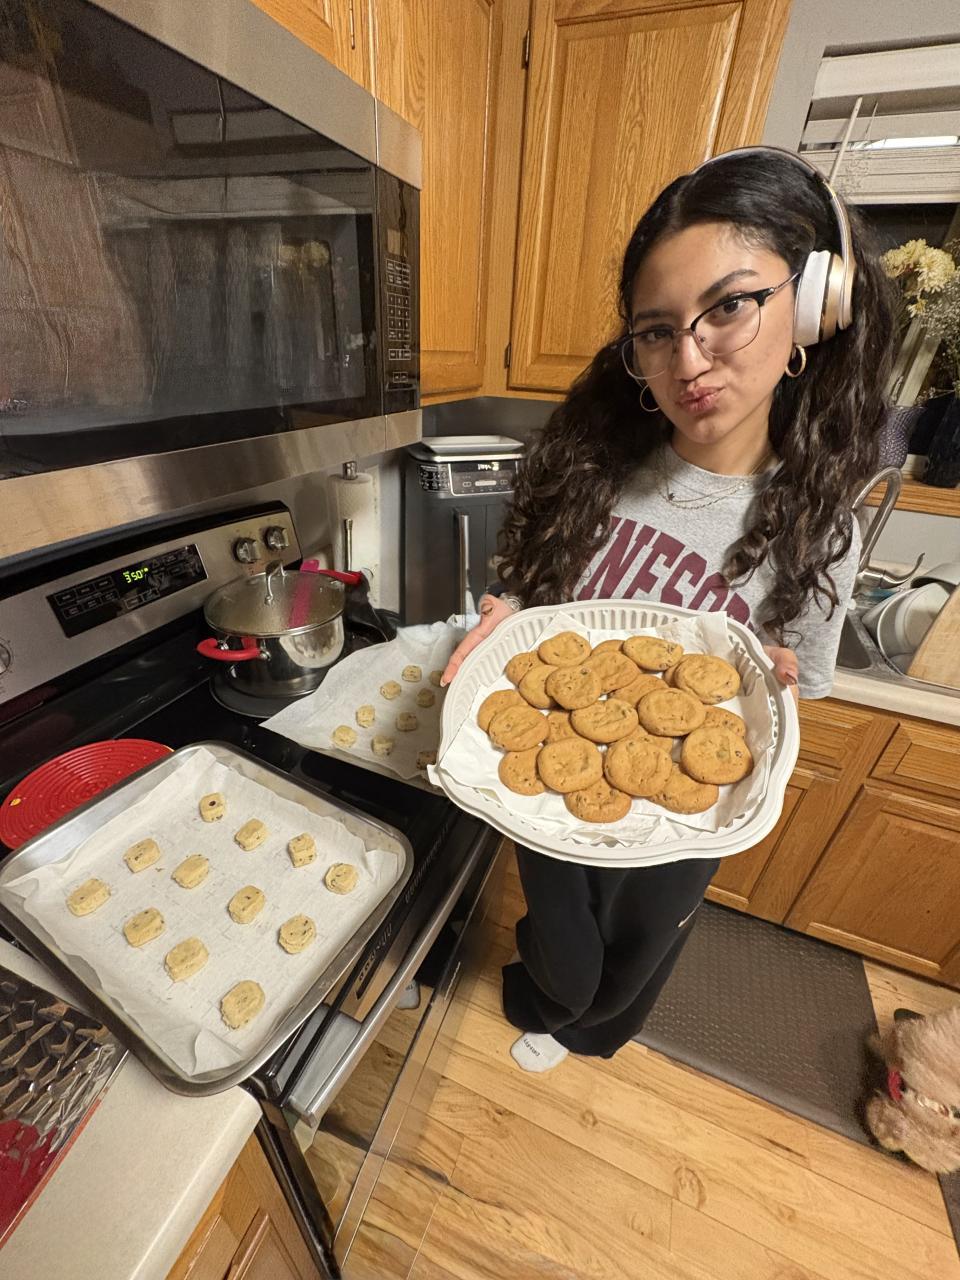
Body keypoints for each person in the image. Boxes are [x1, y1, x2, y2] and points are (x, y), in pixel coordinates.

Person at [440, 147, 896, 1073]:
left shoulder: (818, 529)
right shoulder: (593, 467)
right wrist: (501, 611)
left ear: (811, 307)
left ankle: (588, 1034)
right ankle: (544, 1000)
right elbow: (532, 596)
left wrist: (774, 691)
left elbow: (795, 683)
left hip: (680, 831)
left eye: (729, 307)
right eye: (656, 330)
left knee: (634, 965)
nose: (688, 360)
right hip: (558, 797)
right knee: (561, 950)